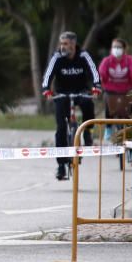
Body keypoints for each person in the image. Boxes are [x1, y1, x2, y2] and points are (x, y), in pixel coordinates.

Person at [41, 31, 102, 181]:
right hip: (62, 94)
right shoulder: (57, 57)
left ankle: (88, 131)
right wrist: (46, 90)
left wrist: (96, 87)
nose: (63, 47)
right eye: (61, 44)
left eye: (66, 44)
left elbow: (94, 72)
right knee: (61, 128)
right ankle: (61, 166)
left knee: (88, 103)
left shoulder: (83, 55)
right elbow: (48, 75)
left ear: (73, 44)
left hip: (81, 91)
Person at [98, 37, 132, 136]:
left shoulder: (129, 60)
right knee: (108, 104)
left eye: (118, 47)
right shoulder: (107, 61)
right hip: (111, 92)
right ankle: (108, 127)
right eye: (114, 47)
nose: (116, 49)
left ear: (124, 49)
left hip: (126, 92)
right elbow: (102, 72)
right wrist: (98, 83)